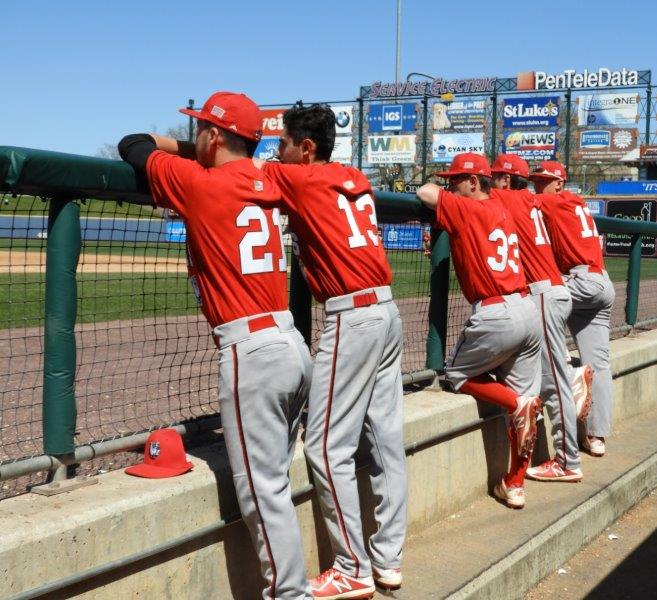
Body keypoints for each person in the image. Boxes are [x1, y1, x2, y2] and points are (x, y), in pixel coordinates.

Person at [118, 91, 313, 600]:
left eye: (203, 128)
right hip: (292, 343)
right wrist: (213, 144)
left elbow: (131, 144)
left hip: (253, 353)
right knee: (276, 484)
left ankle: (290, 595)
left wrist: (189, 148)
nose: (198, 134)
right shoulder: (271, 176)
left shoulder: (198, 182)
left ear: (215, 136)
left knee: (263, 492)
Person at [258, 104, 406, 599]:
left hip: (353, 315)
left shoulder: (298, 178)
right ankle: (388, 561)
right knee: (385, 440)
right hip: (387, 312)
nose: (277, 151)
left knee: (324, 445)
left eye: (283, 143)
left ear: (306, 148)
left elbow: (237, 167)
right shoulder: (354, 174)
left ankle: (352, 567)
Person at [416, 152, 542, 509]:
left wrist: (444, 195)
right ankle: (515, 483)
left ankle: (516, 402)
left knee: (454, 374)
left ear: (474, 182)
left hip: (496, 314)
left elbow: (426, 194)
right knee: (525, 413)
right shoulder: (501, 208)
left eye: (455, 179)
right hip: (526, 307)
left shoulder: (465, 208)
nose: (448, 185)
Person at [490, 168, 590, 483]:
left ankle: (567, 462)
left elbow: (469, 198)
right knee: (544, 373)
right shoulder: (531, 201)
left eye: (495, 177)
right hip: (551, 291)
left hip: (544, 294)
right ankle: (569, 375)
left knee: (551, 381)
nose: (491, 182)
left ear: (505, 180)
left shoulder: (508, 196)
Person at [531, 161, 615, 458]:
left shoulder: (554, 201)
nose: (537, 186)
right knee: (600, 364)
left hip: (581, 280)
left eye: (544, 181)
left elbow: (515, 202)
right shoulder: (573, 202)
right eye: (535, 181)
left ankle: (563, 362)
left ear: (559, 183)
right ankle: (596, 437)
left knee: (534, 299)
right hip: (600, 281)